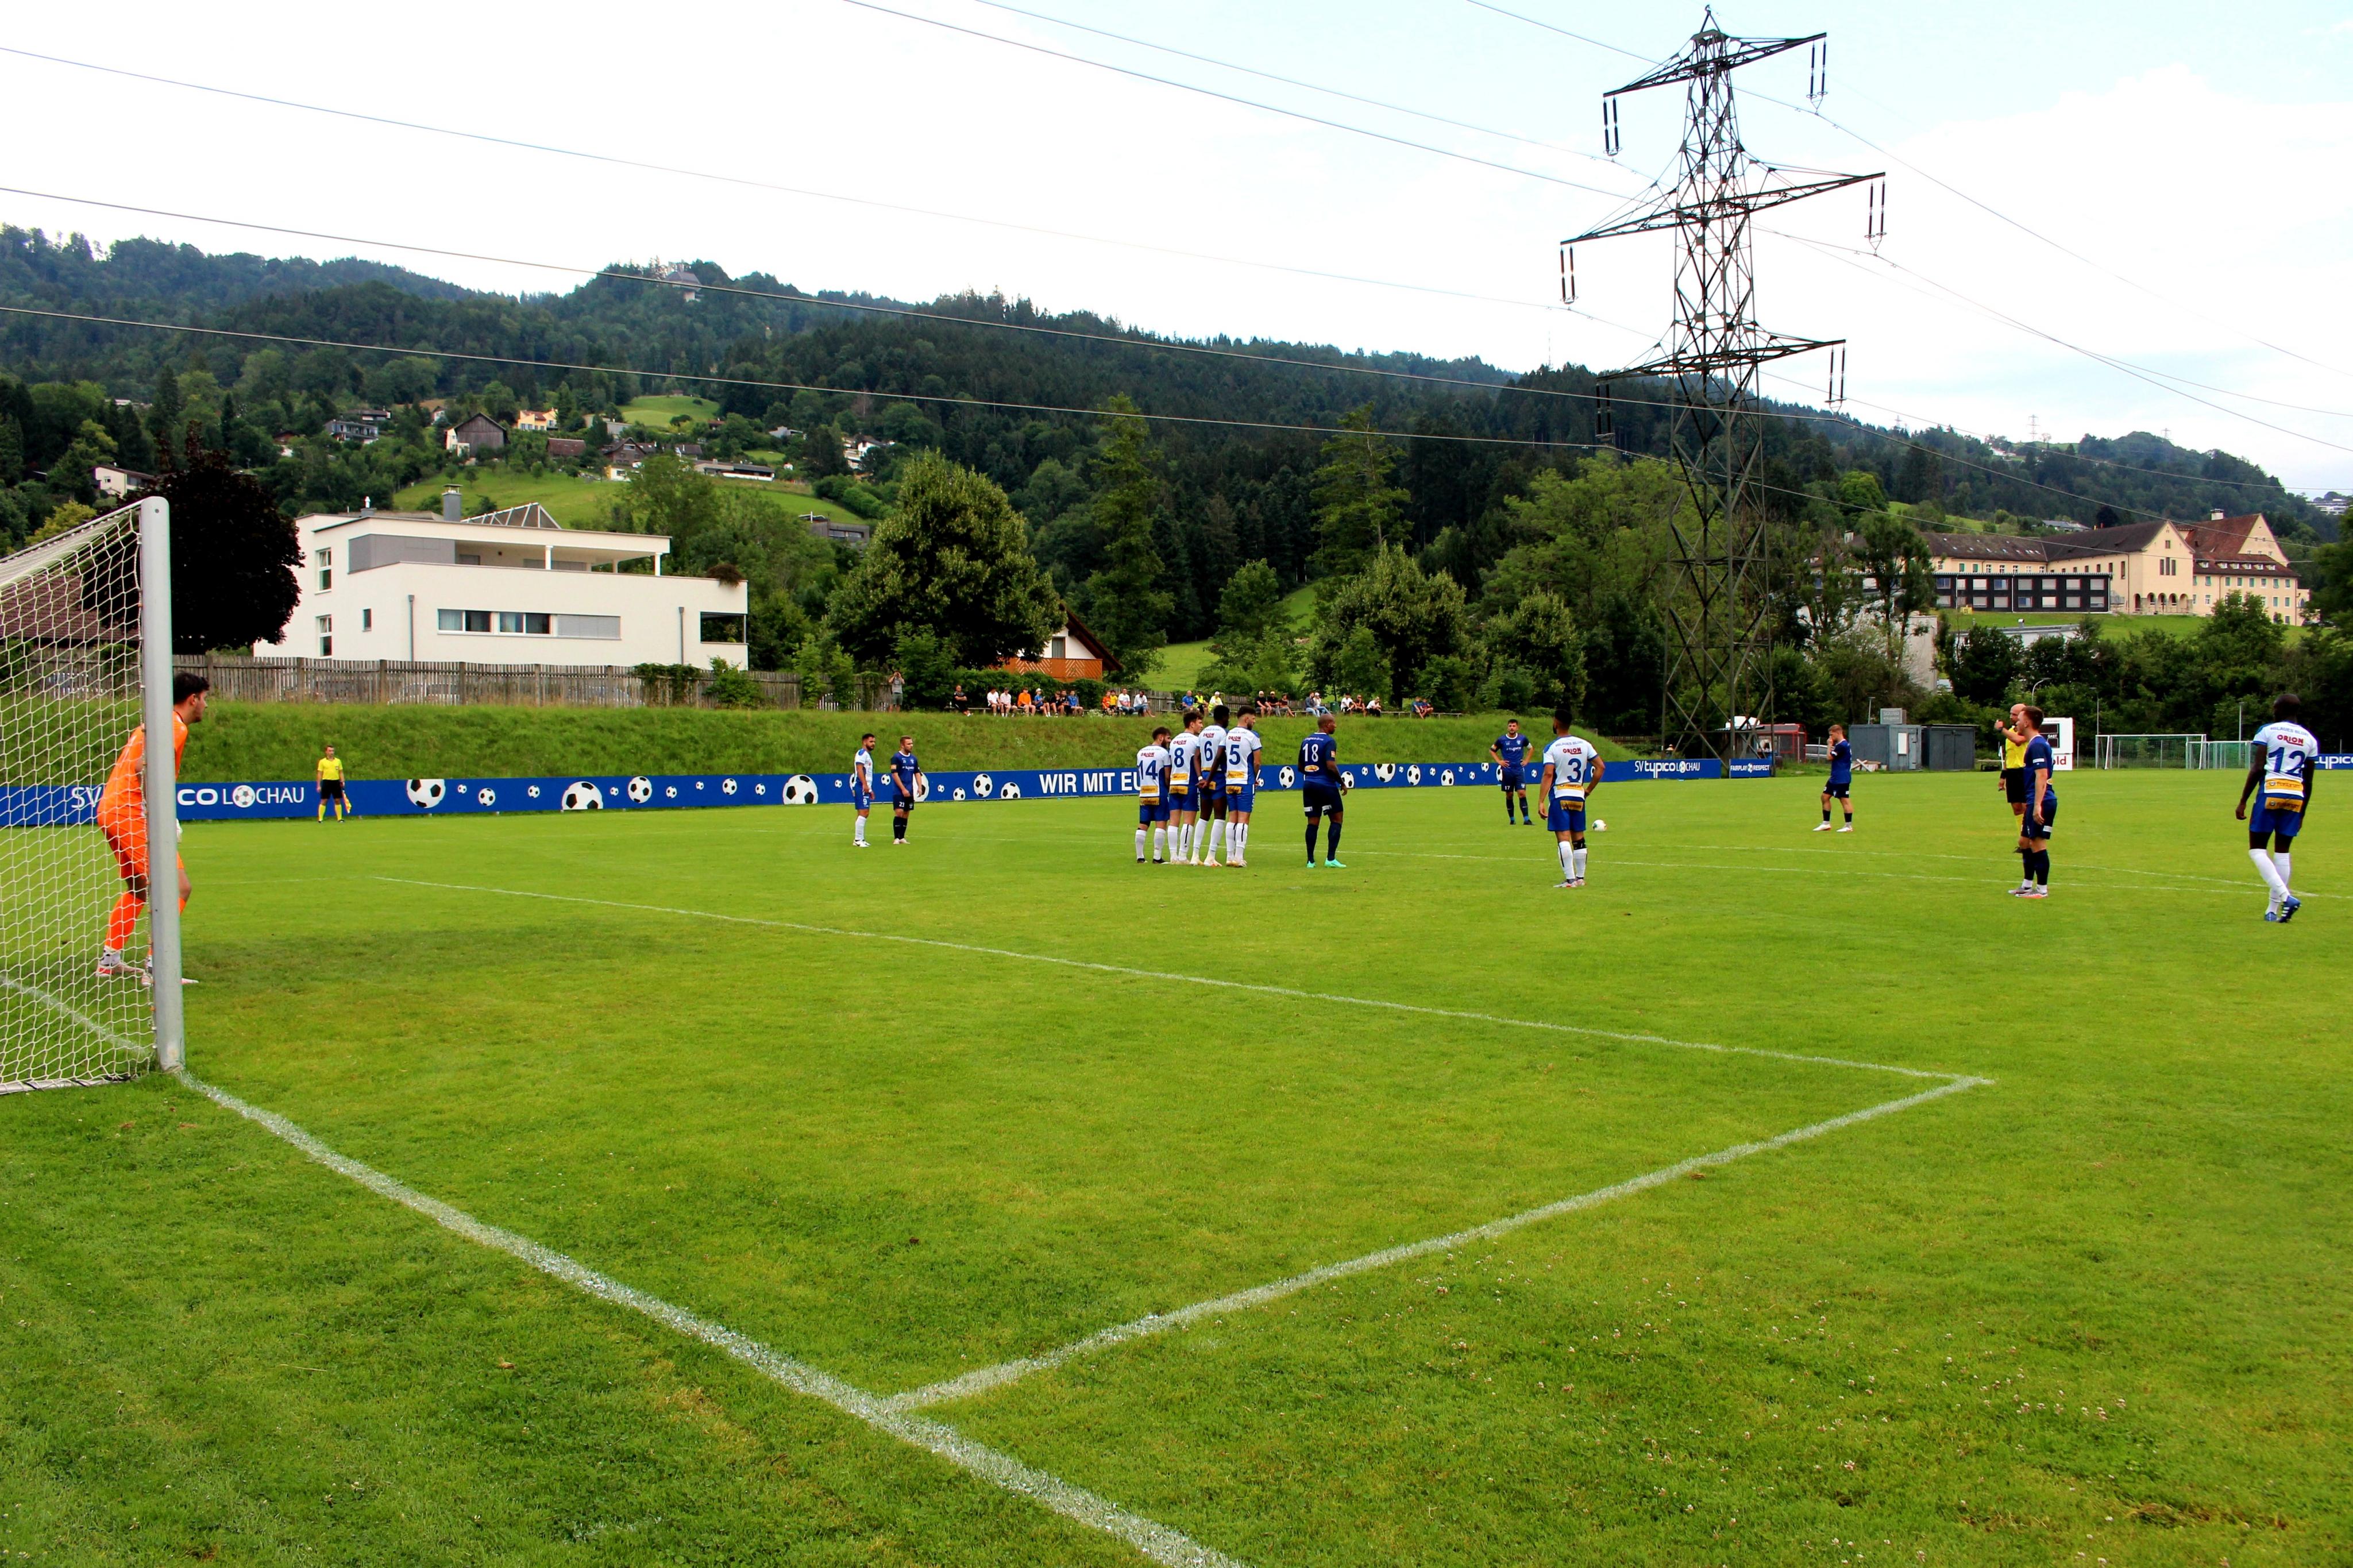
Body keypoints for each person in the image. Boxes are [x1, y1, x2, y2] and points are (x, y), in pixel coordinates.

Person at [97, 671, 209, 981]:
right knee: (178, 888)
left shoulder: (153, 723)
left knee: (138, 887)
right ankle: (156, 967)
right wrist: (160, 816)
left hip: (111, 809)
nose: (206, 706)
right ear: (193, 699)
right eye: (205, 699)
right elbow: (142, 767)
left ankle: (109, 960)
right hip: (131, 812)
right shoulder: (174, 726)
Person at [2239, 692, 2317, 922]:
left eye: (2274, 707)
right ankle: (2272, 911)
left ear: (2280, 709)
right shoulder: (2310, 739)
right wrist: (2302, 813)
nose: (2273, 711)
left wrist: (2243, 801)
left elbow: (2257, 768)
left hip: (2272, 790)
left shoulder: (2268, 731)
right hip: (2296, 795)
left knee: (2257, 850)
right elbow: (2309, 781)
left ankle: (2286, 897)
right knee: (2282, 852)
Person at [1537, 709, 1602, 888]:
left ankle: (1570, 880)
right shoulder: (1584, 744)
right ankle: (1580, 878)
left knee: (1563, 838)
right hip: (1578, 795)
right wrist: (1588, 790)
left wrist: (1541, 801)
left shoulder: (1552, 747)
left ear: (1556, 723)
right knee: (1579, 838)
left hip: (1560, 795)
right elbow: (1601, 767)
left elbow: (1548, 774)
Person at [2012, 705, 2055, 898]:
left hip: (2042, 801)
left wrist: (2037, 805)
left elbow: (2042, 775)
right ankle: (2027, 885)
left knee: (2037, 843)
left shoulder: (2037, 745)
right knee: (2024, 842)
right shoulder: (2034, 744)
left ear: (2027, 722)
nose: (2016, 722)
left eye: (2019, 719)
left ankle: (2042, 890)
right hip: (2034, 800)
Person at [1299, 713, 1346, 868]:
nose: (1336, 726)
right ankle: (1330, 859)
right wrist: (1342, 783)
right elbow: (1331, 765)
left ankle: (1310, 861)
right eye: (1333, 723)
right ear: (1327, 725)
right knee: (1337, 819)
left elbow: (1300, 766)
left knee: (1313, 822)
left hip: (1309, 785)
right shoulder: (1329, 741)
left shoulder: (1306, 740)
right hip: (1326, 785)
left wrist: (1312, 775)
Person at [1995, 702, 2035, 882]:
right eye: (2011, 714)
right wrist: (2003, 776)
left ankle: (2028, 839)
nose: (2011, 717)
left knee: (2027, 807)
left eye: (2014, 714)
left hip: (2024, 772)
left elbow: (2018, 741)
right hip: (2012, 774)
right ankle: (2023, 839)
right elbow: (2008, 757)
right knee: (2017, 808)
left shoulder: (2023, 732)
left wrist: (2001, 729)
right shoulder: (2010, 732)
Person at [1221, 705, 1263, 866]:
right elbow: (1257, 762)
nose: (1254, 722)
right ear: (1246, 719)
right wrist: (1254, 777)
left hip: (1230, 781)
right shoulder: (1252, 736)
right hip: (1245, 781)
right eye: (1253, 719)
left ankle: (1229, 856)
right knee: (1244, 819)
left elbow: (1222, 755)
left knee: (1232, 818)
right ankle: (1239, 857)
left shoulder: (1228, 734)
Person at [1166, 711, 1204, 863]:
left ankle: (1173, 856)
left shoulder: (1174, 741)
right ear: (1192, 724)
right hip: (1189, 783)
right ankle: (1183, 856)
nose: (1202, 726)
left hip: (1175, 783)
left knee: (1174, 821)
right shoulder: (1196, 741)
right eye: (1200, 723)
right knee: (1189, 821)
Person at [1194, 705, 1230, 865]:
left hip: (1204, 774)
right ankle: (1211, 856)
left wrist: (1201, 777)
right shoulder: (1224, 733)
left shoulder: (1203, 733)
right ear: (1224, 717)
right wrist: (1210, 779)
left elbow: (1196, 757)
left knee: (1204, 816)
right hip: (1218, 776)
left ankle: (1195, 855)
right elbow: (1219, 757)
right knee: (1220, 816)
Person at [1135, 724, 1172, 863]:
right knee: (1161, 823)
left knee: (1143, 823)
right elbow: (1167, 776)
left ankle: (1140, 857)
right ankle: (1157, 857)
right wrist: (1169, 788)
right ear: (1161, 738)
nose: (1169, 741)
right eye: (1168, 738)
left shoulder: (1141, 753)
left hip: (1144, 792)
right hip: (1159, 792)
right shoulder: (1163, 753)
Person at [1491, 719, 1533, 826]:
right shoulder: (1502, 740)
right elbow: (1492, 750)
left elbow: (1531, 749)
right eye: (1510, 726)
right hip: (1507, 771)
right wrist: (1499, 761)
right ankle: (1512, 819)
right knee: (1509, 795)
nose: (1512, 728)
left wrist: (1527, 761)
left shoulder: (1522, 739)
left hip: (1519, 771)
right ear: (1507, 727)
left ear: (1517, 728)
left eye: (1514, 726)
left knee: (1522, 793)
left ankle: (1527, 819)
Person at [1816, 724, 1854, 832]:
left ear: (1838, 733)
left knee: (1844, 800)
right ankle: (1826, 823)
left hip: (1842, 778)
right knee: (1825, 797)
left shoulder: (1843, 745)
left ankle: (1848, 826)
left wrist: (1829, 745)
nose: (1830, 738)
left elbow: (1829, 757)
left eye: (1832, 735)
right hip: (1835, 777)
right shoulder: (1840, 745)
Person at [889, 734, 922, 845]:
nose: (911, 746)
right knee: (899, 812)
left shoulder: (914, 759)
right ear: (902, 745)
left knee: (906, 813)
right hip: (899, 791)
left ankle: (902, 837)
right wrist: (903, 789)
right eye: (909, 744)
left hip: (910, 791)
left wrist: (920, 787)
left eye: (912, 743)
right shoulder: (896, 758)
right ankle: (896, 838)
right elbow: (895, 775)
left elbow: (917, 773)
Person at [851, 732, 877, 848]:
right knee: (864, 812)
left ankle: (860, 838)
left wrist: (870, 789)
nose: (873, 744)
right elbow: (860, 769)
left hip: (864, 787)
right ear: (864, 742)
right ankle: (858, 839)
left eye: (874, 742)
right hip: (861, 786)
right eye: (871, 741)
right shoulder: (862, 754)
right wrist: (865, 785)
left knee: (863, 813)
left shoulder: (867, 755)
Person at [315, 743, 352, 822]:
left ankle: (340, 818)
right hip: (326, 782)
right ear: (326, 752)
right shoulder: (322, 762)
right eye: (330, 751)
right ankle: (320, 819)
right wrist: (318, 785)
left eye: (333, 751)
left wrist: (343, 781)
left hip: (336, 782)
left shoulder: (338, 761)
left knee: (337, 800)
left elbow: (341, 772)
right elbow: (320, 773)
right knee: (324, 800)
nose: (332, 752)